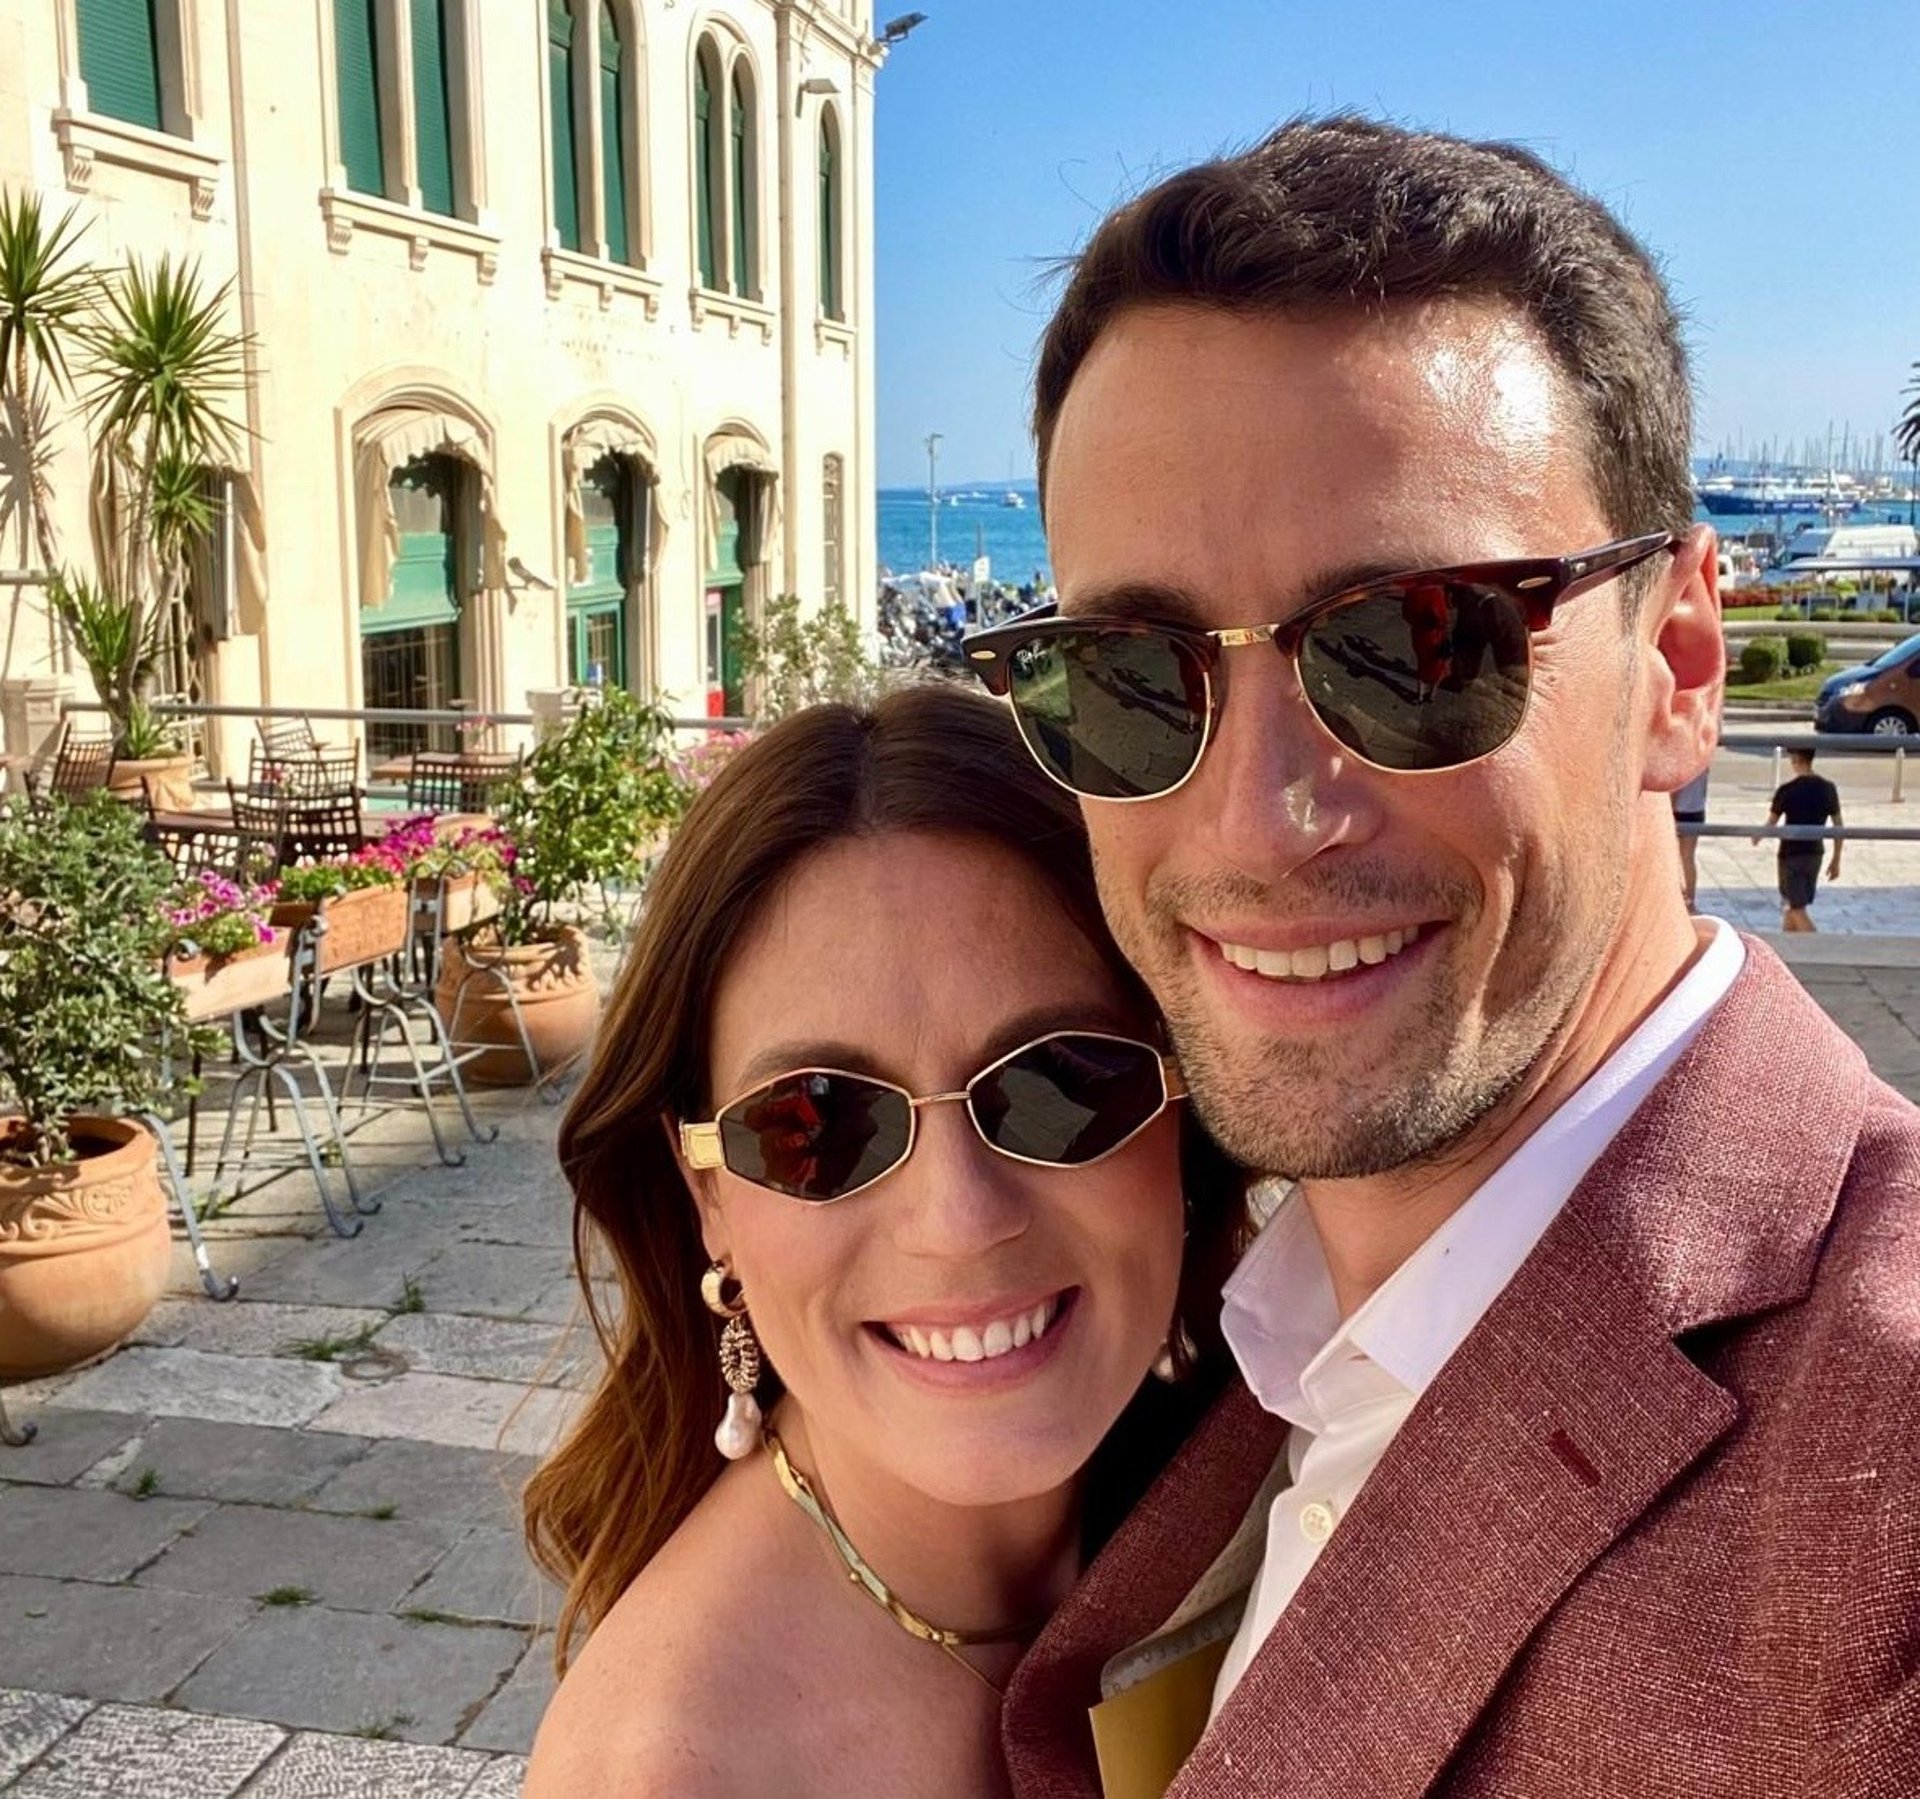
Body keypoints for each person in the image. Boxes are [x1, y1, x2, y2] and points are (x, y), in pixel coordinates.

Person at [968, 116, 1920, 1795]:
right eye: (1130, 669)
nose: (1259, 820)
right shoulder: (1227, 1330)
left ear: (1680, 663)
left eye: (1417, 645)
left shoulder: (1880, 1457)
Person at [521, 685, 1242, 1797]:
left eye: (1060, 1084)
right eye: (815, 1123)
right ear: (704, 1193)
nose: (959, 1218)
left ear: (1180, 1108)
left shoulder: (1277, 1480)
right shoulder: (675, 1770)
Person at [1754, 746, 1841, 930]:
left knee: (1795, 908)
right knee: (1790, 905)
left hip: (1791, 854)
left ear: (1796, 760)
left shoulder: (1787, 790)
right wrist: (1836, 859)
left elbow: (1772, 822)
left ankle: (1822, 947)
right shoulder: (1828, 788)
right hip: (1814, 853)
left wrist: (1758, 836)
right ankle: (1789, 947)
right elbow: (1838, 826)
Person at [1671, 763, 1710, 907]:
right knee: (1688, 857)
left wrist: (1669, 810)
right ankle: (1691, 898)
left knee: (1674, 856)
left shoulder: (1682, 761)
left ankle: (1679, 894)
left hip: (1679, 810)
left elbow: (1675, 788)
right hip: (1697, 809)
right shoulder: (1703, 762)